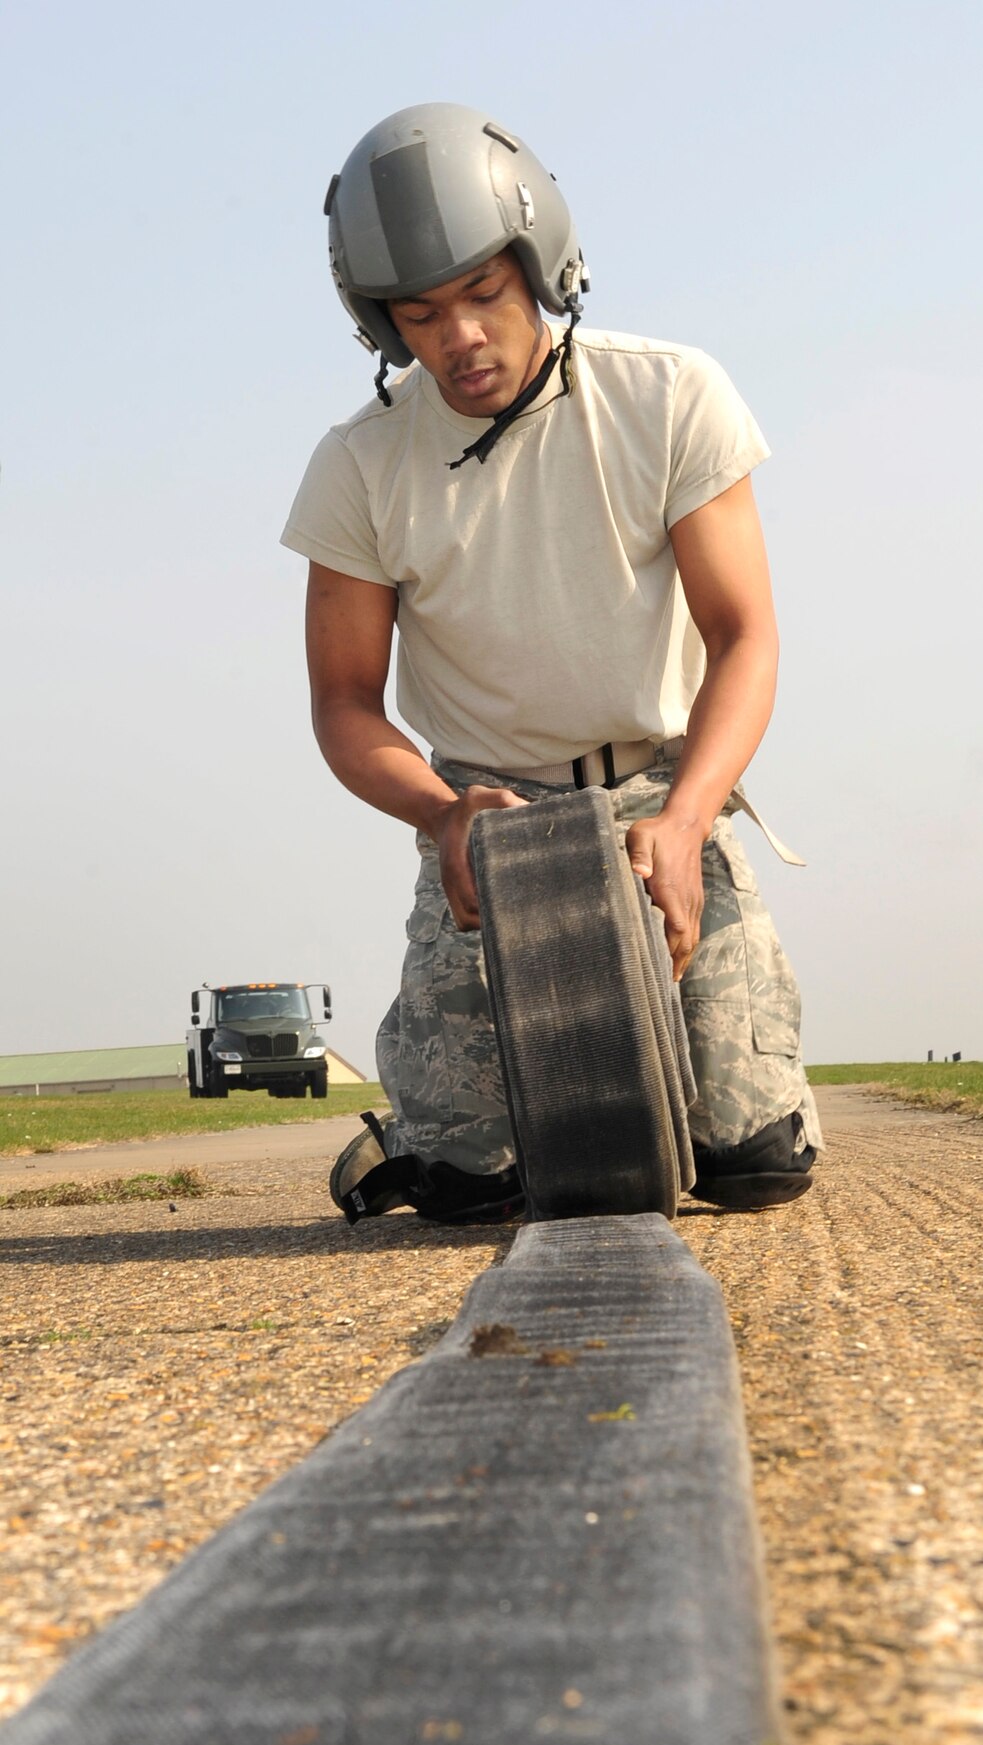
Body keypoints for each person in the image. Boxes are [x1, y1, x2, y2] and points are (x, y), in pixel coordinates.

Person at [281, 102, 822, 1224]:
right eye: (419, 312)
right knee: (463, 1187)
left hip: (661, 790)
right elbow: (343, 702)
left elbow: (744, 636)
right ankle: (416, 1128)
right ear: (379, 321)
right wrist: (441, 818)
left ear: (542, 262)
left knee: (750, 1161)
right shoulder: (357, 467)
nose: (459, 337)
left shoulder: (668, 394)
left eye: (483, 292)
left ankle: (724, 1076)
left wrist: (687, 818)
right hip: (489, 816)